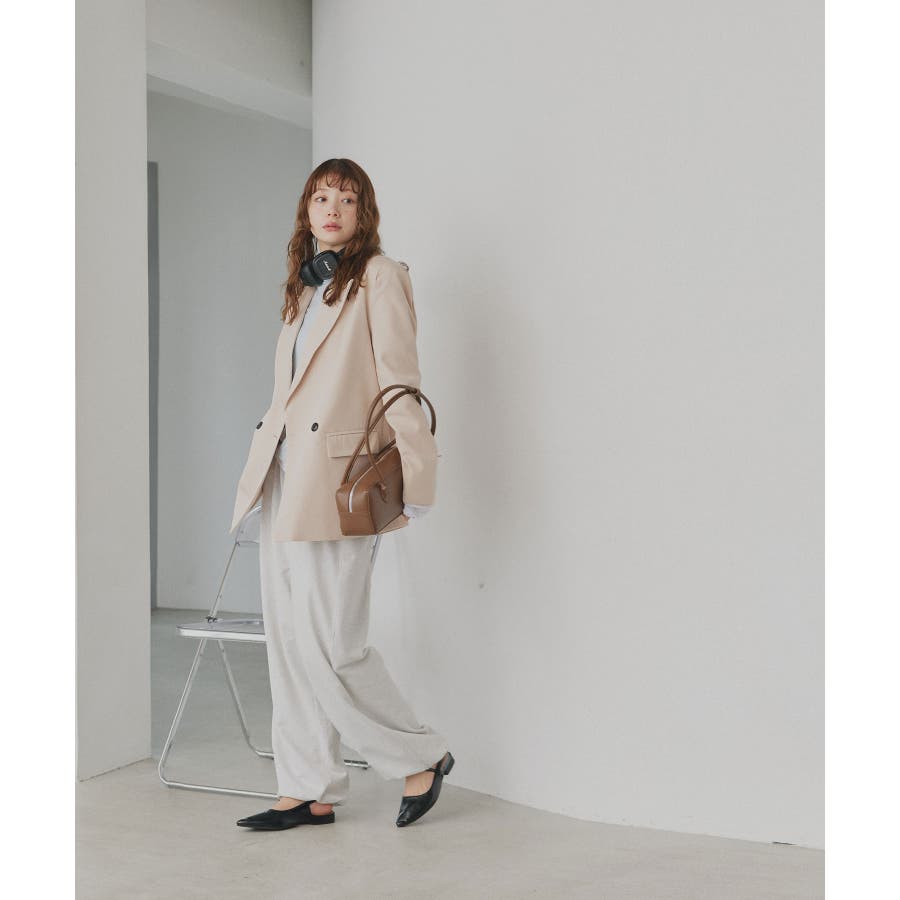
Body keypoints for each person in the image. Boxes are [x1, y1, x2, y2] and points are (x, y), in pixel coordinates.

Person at [228, 158, 454, 831]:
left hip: (338, 482)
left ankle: (421, 756)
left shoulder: (379, 276)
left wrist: (416, 474)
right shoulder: (305, 287)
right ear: (307, 210)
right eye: (321, 197)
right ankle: (308, 788)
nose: (332, 209)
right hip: (284, 477)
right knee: (290, 642)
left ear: (364, 213)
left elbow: (400, 380)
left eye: (347, 200)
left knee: (332, 644)